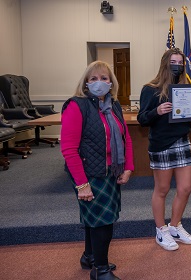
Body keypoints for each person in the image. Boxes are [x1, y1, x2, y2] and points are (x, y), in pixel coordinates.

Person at [61, 61, 134, 280]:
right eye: (93, 79)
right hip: (88, 173)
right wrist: (82, 184)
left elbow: (126, 139)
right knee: (102, 221)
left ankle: (90, 256)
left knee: (96, 218)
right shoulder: (76, 106)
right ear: (85, 83)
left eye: (104, 78)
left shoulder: (115, 106)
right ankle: (101, 270)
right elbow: (69, 149)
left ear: (111, 83)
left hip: (111, 171)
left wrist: (128, 167)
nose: (99, 83)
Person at [138, 48, 191, 251]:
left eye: (180, 62)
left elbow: (187, 117)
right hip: (161, 144)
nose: (177, 65)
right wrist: (157, 111)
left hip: (182, 141)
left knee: (185, 188)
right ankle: (160, 230)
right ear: (165, 63)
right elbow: (142, 119)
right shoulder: (150, 88)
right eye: (173, 61)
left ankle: (175, 226)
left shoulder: (185, 87)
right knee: (162, 189)